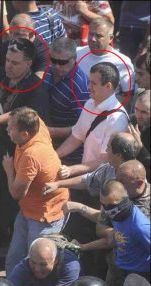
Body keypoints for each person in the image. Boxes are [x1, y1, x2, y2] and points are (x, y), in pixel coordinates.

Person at [2, 107, 69, 275]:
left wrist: (9, 171)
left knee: (38, 266)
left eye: (11, 128)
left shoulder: (31, 155)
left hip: (45, 217)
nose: (7, 130)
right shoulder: (36, 123)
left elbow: (16, 194)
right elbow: (31, 112)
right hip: (28, 211)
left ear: (25, 134)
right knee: (15, 258)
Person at [0, 38, 50, 152]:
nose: (8, 66)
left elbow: (24, 115)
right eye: (7, 60)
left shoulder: (36, 88)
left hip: (12, 146)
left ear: (28, 63)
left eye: (15, 63)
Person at [54, 62, 129, 178]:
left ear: (108, 86)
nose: (88, 87)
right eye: (89, 82)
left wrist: (71, 170)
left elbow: (105, 160)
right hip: (84, 178)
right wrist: (53, 156)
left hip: (102, 184)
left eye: (93, 83)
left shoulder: (117, 119)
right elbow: (76, 138)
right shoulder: (89, 104)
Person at [43, 132, 141, 198]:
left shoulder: (132, 181)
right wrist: (58, 184)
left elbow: (110, 216)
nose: (106, 151)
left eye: (108, 148)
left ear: (118, 155)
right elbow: (88, 179)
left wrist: (79, 208)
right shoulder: (110, 168)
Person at [44, 36, 90, 165]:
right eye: (53, 60)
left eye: (63, 62)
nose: (57, 66)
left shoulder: (80, 87)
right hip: (46, 143)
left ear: (74, 58)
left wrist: (52, 131)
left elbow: (85, 127)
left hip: (69, 156)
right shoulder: (49, 70)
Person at [99, 180, 150, 286]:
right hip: (119, 268)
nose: (107, 210)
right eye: (104, 205)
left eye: (112, 205)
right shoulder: (118, 215)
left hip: (138, 276)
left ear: (125, 199)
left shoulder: (141, 227)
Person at [76, 17, 135, 111]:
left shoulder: (123, 63)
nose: (93, 39)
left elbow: (128, 96)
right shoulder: (77, 53)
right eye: (91, 34)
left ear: (110, 38)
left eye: (99, 36)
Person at [8, 238, 80, 286]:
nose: (37, 269)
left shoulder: (70, 267)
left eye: (43, 264)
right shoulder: (24, 266)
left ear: (55, 260)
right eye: (33, 262)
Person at [0, 13, 48, 79]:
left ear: (31, 34)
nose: (12, 38)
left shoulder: (43, 52)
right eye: (10, 32)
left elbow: (38, 81)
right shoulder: (6, 46)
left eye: (17, 34)